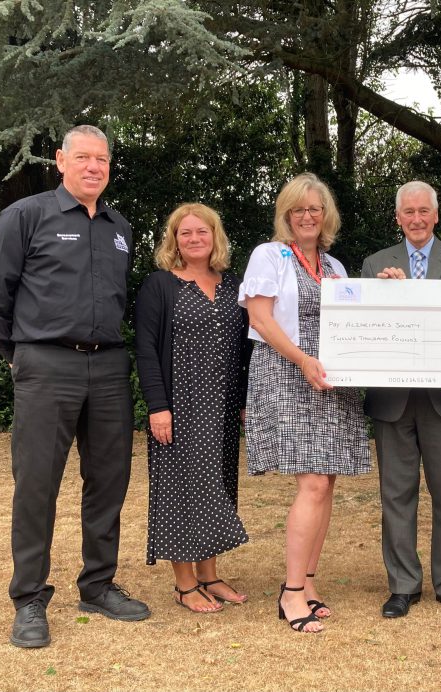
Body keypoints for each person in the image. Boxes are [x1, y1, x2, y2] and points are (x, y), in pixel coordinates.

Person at [0, 124, 149, 649]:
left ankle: (97, 585)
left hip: (109, 370)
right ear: (61, 160)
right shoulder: (27, 216)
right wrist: (22, 357)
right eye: (83, 158)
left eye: (102, 159)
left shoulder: (121, 227)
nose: (94, 167)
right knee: (37, 485)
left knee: (108, 481)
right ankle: (29, 598)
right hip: (46, 366)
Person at [239, 173, 371, 634]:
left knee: (327, 481)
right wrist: (302, 360)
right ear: (287, 215)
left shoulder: (335, 267)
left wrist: (388, 287)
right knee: (312, 483)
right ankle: (291, 593)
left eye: (314, 208)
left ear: (326, 215)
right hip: (288, 371)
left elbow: (359, 322)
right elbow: (259, 316)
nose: (307, 216)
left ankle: (309, 582)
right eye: (298, 209)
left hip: (333, 379)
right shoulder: (269, 255)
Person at [361, 180, 441, 619]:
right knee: (396, 494)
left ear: (435, 215)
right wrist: (384, 292)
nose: (415, 219)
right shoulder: (376, 263)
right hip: (393, 397)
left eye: (423, 211)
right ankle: (403, 585)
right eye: (407, 212)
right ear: (398, 218)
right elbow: (367, 325)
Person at [135, 203, 252, 614]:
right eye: (185, 233)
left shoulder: (231, 285)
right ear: (174, 240)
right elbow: (146, 350)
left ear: (214, 237)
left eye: (202, 232)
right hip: (178, 406)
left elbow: (242, 351)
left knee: (216, 488)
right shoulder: (160, 285)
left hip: (219, 407)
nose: (194, 239)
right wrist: (158, 406)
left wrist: (240, 401)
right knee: (180, 490)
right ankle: (184, 584)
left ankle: (209, 574)